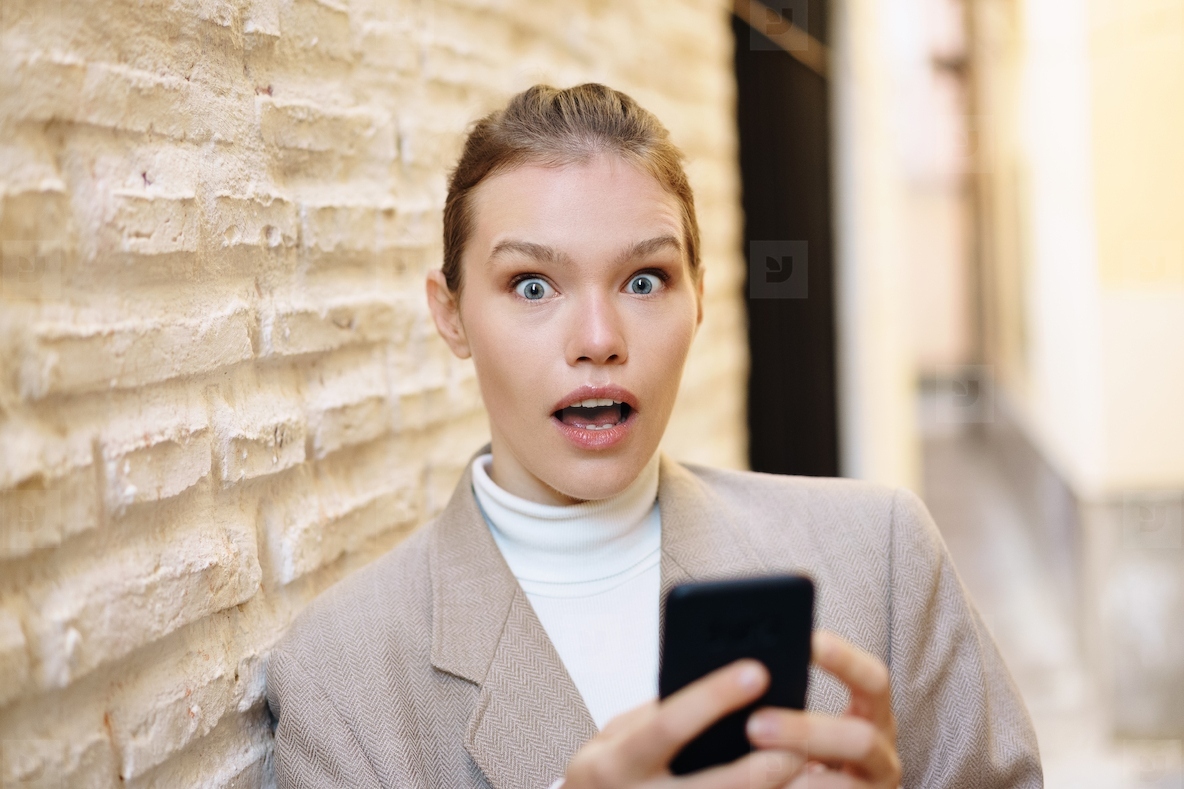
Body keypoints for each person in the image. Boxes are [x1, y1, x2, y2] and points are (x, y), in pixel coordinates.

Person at [266, 83, 1043, 789]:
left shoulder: (881, 558)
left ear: (699, 298)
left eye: (644, 281)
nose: (599, 339)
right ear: (451, 314)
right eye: (532, 285)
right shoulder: (342, 678)